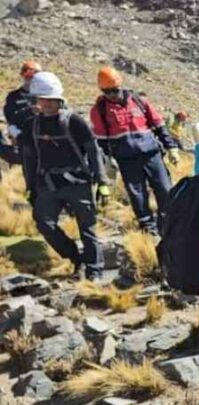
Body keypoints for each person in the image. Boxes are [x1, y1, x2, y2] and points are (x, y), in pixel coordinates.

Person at [20, 72, 107, 280]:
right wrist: (31, 186)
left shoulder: (74, 121)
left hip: (78, 183)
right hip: (47, 184)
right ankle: (75, 258)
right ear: (36, 100)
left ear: (60, 99)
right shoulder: (32, 125)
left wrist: (102, 182)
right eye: (43, 99)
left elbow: (93, 151)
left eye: (51, 100)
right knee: (44, 223)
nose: (48, 104)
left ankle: (95, 271)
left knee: (87, 228)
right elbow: (29, 158)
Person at [90, 66, 179, 235]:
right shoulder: (99, 110)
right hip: (126, 160)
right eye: (106, 91)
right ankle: (149, 230)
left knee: (165, 189)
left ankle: (168, 225)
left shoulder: (139, 101)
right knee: (137, 195)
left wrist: (172, 147)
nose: (111, 95)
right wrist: (106, 167)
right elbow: (100, 143)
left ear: (120, 85)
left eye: (114, 90)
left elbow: (159, 125)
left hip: (152, 155)